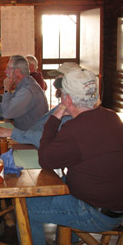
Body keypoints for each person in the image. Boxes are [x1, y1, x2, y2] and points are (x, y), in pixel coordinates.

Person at [25, 68, 123, 244]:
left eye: (62, 94)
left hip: (96, 212)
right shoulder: (112, 117)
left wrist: (55, 116)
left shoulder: (75, 129)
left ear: (68, 99)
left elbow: (45, 160)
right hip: (115, 206)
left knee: (27, 207)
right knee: (61, 184)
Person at [0, 62, 81, 148]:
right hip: (30, 141)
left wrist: (12, 133)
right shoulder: (63, 105)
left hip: (37, 147)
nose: (55, 80)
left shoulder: (72, 110)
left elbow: (51, 139)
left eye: (59, 77)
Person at [0, 55, 48, 131]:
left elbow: (7, 113)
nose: (5, 71)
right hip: (23, 134)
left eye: (8, 68)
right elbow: (8, 105)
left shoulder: (28, 90)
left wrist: (7, 89)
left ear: (17, 71)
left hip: (30, 139)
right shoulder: (23, 85)